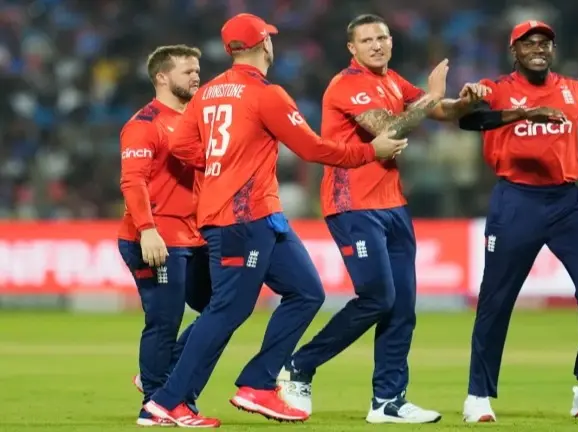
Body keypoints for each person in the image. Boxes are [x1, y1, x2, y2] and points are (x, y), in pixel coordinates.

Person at [142, 13, 408, 428]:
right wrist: (371, 152)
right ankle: (167, 401)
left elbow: (180, 145)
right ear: (265, 44)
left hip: (260, 214)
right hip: (241, 216)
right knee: (227, 309)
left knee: (306, 292)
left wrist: (220, 164)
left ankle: (258, 383)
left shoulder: (208, 92)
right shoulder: (266, 93)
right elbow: (314, 148)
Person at [277, 13, 489, 425]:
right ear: (351, 48)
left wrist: (466, 100)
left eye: (382, 37)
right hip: (352, 205)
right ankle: (299, 366)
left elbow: (440, 111)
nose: (376, 45)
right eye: (366, 40)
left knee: (402, 307)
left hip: (393, 205)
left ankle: (388, 400)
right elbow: (389, 129)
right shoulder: (347, 84)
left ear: (391, 42)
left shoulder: (392, 81)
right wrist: (432, 94)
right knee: (377, 298)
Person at [456, 20, 578, 422]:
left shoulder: (575, 90)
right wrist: (520, 112)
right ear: (514, 51)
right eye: (528, 43)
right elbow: (469, 120)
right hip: (516, 200)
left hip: (566, 202)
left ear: (553, 50)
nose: (538, 48)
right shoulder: (495, 88)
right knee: (496, 299)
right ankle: (478, 396)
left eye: (544, 42)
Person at [117, 44, 212, 427]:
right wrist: (147, 230)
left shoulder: (196, 120)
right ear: (161, 77)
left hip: (194, 236)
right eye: (187, 70)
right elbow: (133, 181)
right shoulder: (145, 124)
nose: (196, 75)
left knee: (224, 308)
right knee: (164, 320)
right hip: (156, 237)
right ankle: (155, 404)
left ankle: (157, 375)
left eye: (197, 69)